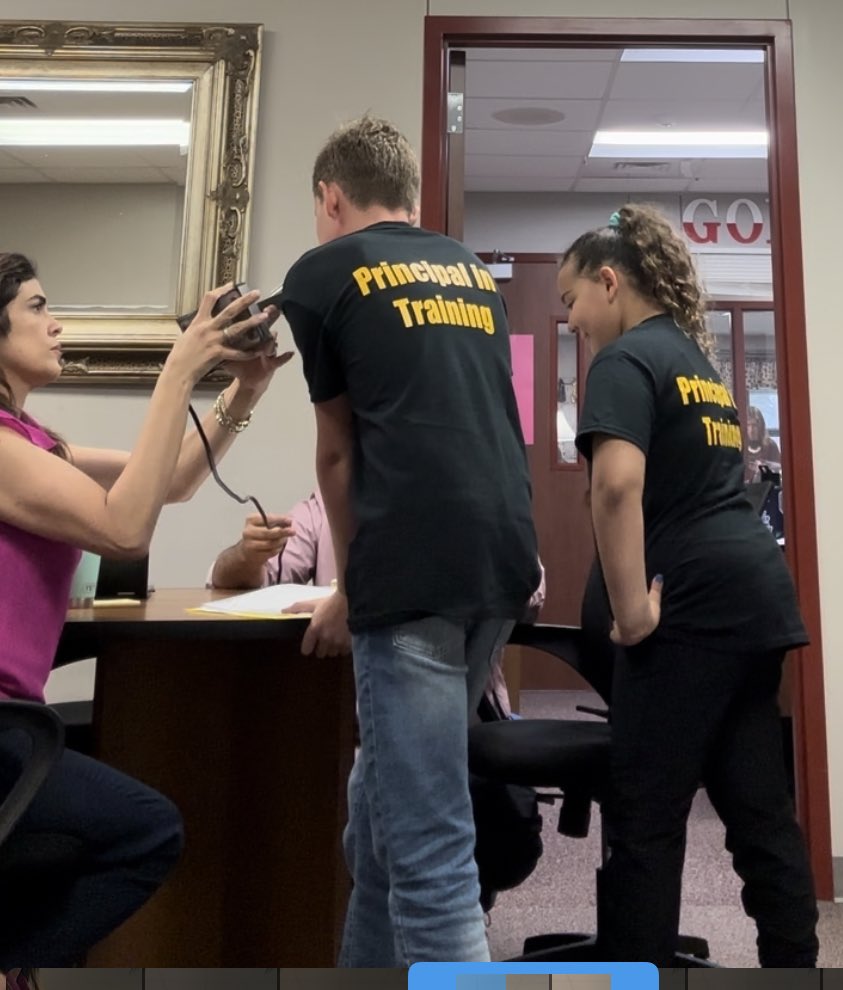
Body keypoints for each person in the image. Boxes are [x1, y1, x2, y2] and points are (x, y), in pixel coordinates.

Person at [278, 115, 540, 965]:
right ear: (412, 197)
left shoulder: (321, 271)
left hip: (413, 572)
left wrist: (351, 589)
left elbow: (338, 450)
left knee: (428, 854)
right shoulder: (468, 269)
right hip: (503, 562)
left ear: (330, 195)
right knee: (379, 833)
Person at [0, 251, 291, 968]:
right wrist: (178, 369)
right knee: (146, 832)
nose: (56, 322)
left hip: (14, 721)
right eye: (37, 307)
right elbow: (123, 529)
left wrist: (243, 391)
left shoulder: (42, 445)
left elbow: (175, 480)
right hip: (2, 727)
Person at [559, 204, 818, 966]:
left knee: (646, 815)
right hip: (755, 598)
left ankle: (637, 973)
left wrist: (635, 612)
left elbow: (615, 486)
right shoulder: (697, 366)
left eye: (571, 301)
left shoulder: (625, 360)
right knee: (760, 811)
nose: (571, 321)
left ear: (609, 283)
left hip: (692, 612)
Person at [207, 490, 545, 716]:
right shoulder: (329, 504)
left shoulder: (455, 494)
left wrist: (362, 602)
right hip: (344, 707)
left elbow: (528, 586)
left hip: (449, 707)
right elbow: (236, 580)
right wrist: (246, 556)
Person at [744, 404, 781, 483]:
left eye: (754, 425)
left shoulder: (770, 445)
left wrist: (765, 467)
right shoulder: (740, 447)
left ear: (760, 426)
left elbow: (779, 472)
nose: (751, 430)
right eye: (748, 425)